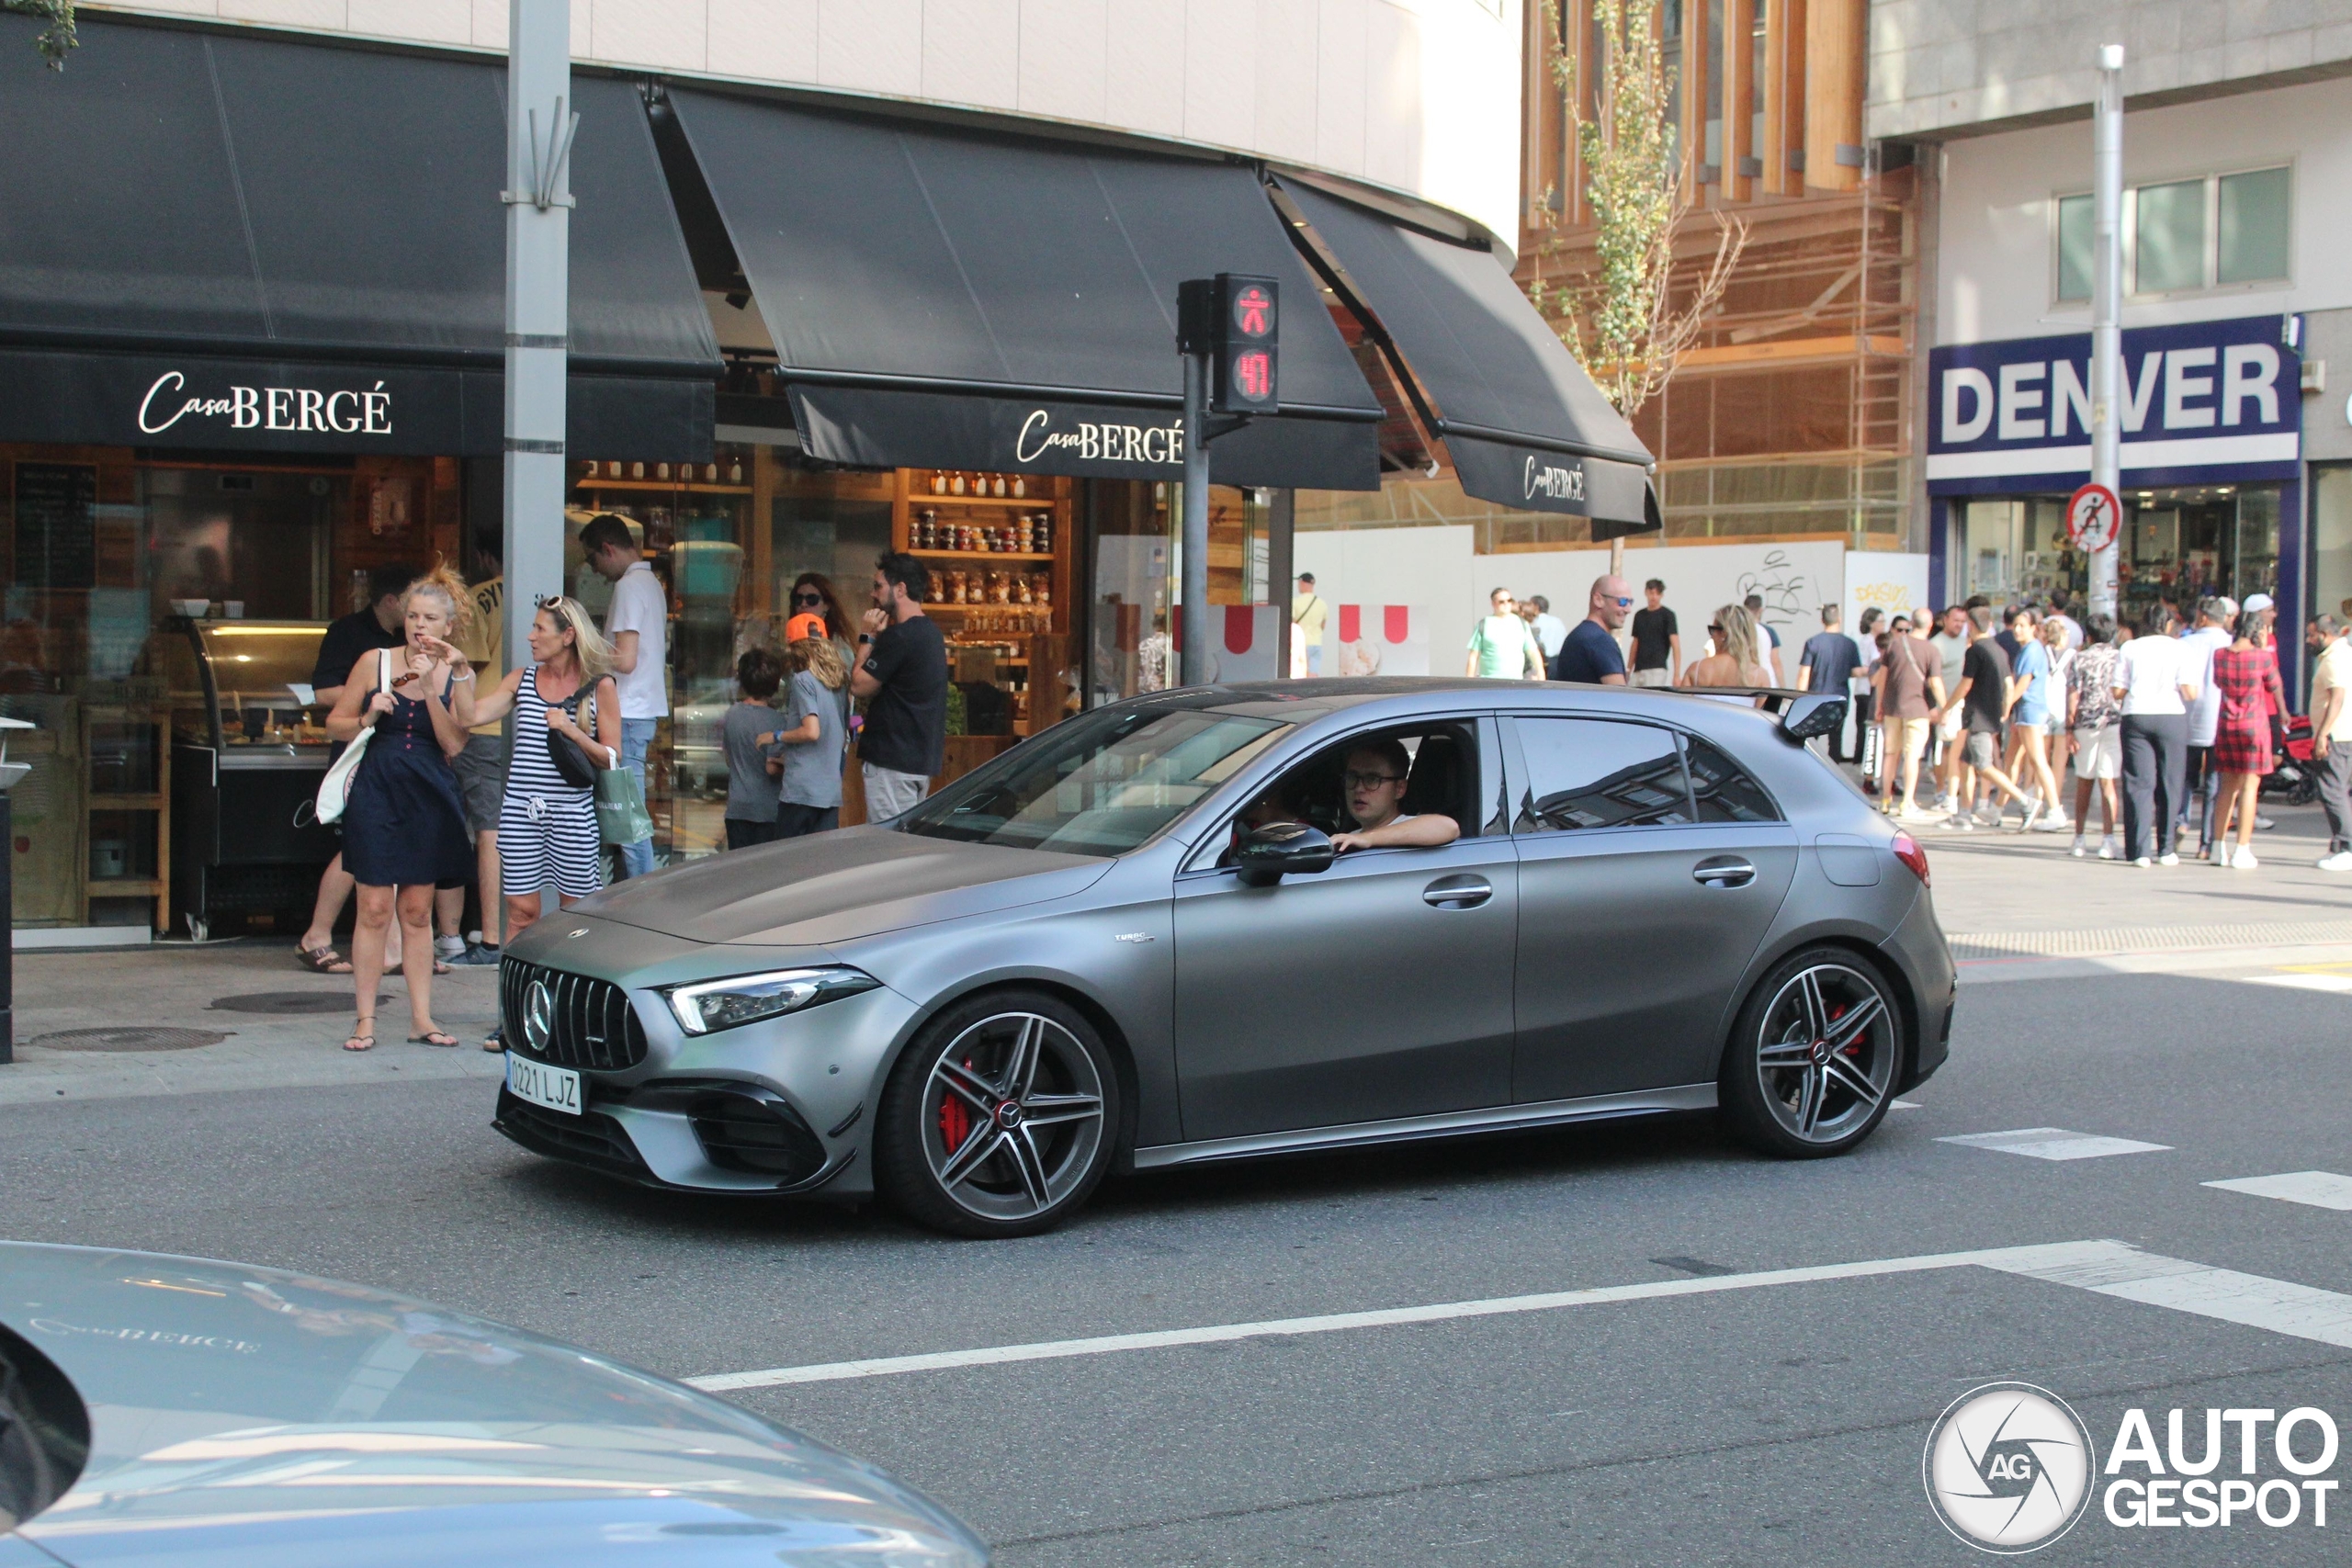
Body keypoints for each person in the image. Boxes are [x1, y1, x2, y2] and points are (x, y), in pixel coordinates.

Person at [456, 597, 622, 1050]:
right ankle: (514, 1017)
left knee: (578, 916)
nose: (529, 636)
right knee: (523, 915)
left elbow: (612, 756)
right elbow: (470, 716)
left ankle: (572, 1016)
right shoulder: (521, 680)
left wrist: (569, 730)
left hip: (571, 811)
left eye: (539, 629)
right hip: (520, 812)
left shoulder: (596, 686)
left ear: (567, 635)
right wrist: (457, 672)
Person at [322, 566, 476, 1053]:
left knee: (416, 910)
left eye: (430, 618)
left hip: (429, 791)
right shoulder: (376, 661)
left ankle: (421, 1018)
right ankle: (365, 1019)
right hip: (378, 788)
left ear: (448, 626)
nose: (419, 626)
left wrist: (431, 688)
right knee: (372, 908)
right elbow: (334, 724)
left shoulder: (458, 673)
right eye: (412, 616)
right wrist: (368, 715)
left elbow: (456, 742)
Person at [295, 560, 419, 976]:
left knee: (394, 845)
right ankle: (317, 935)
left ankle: (398, 947)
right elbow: (324, 690)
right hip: (361, 749)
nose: (418, 619)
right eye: (413, 610)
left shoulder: (413, 642)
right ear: (391, 601)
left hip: (399, 753)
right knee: (356, 847)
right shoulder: (348, 632)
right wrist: (371, 698)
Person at [581, 512, 667, 878]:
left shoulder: (629, 587)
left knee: (626, 811)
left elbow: (626, 660)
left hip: (627, 711)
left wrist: (585, 650)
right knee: (629, 808)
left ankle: (640, 891)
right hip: (640, 709)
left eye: (592, 559)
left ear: (607, 548)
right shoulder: (650, 584)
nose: (595, 570)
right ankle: (636, 886)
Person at [853, 551, 948, 820]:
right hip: (918, 761)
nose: (873, 594)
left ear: (900, 589)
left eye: (878, 586)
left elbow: (859, 685)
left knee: (890, 847)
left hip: (892, 762)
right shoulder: (932, 633)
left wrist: (868, 637)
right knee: (905, 844)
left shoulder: (900, 635)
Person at [448, 536, 507, 965]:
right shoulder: (557, 599)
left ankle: (488, 937)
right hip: (530, 725)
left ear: (487, 555)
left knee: (485, 832)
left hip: (483, 724)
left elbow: (466, 667)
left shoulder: (479, 597)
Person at [2114, 604, 2200, 867]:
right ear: (2169, 625)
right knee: (2170, 782)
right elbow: (2190, 693)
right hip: (2171, 717)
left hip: (2136, 715)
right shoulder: (2181, 648)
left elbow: (2117, 691)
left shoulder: (2130, 648)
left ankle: (2139, 850)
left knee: (2138, 783)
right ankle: (2166, 848)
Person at [1938, 606, 2030, 831]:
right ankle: (1964, 813)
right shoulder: (1999, 650)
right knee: (1965, 763)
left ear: (1970, 624)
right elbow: (2009, 685)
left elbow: (1965, 684)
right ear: (1989, 625)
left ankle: (2025, 801)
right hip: (1989, 716)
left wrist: (1947, 707)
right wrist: (2004, 711)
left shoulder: (1975, 651)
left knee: (1983, 765)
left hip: (1976, 716)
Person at [2210, 610, 2286, 870]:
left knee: (2226, 787)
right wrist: (2284, 713)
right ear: (2257, 631)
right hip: (2254, 726)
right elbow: (2274, 685)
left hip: (2227, 725)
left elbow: (2218, 682)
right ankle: (2242, 849)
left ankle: (2217, 847)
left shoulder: (2220, 655)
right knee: (2250, 787)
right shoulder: (2262, 657)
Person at [766, 636, 850, 838]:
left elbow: (811, 731)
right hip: (829, 790)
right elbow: (841, 731)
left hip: (802, 789)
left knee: (787, 857)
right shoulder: (839, 686)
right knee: (821, 860)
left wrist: (777, 736)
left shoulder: (803, 680)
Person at [2177, 596, 2234, 859]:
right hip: (2220, 721)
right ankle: (2207, 843)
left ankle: (2181, 819)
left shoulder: (2185, 643)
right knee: (2214, 782)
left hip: (2187, 718)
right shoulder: (2231, 644)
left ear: (2201, 617)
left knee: (2185, 778)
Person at [1329, 739, 1460, 853]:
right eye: (1352, 777)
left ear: (1399, 789)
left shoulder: (1413, 829)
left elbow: (1448, 827)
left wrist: (1368, 838)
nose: (1359, 788)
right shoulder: (1350, 839)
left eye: (1372, 779)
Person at [2065, 615, 2126, 860]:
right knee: (2108, 782)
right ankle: (2108, 840)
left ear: (2088, 636)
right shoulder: (2120, 656)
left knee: (2084, 780)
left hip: (2085, 724)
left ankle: (2079, 838)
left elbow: (2072, 695)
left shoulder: (2079, 659)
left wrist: (2069, 728)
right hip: (2113, 722)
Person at [1872, 614, 1943, 818]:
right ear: (1930, 625)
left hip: (1892, 708)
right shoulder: (1931, 650)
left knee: (1891, 754)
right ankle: (1907, 802)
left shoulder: (1894, 645)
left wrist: (1880, 704)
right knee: (1912, 756)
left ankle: (1885, 800)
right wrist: (1944, 707)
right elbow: (1935, 683)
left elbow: (1883, 677)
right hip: (1918, 709)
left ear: (1912, 624)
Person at [2005, 609, 2065, 831]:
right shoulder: (2027, 650)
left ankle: (2055, 809)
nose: (2017, 629)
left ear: (2033, 628)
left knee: (2038, 760)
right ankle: (1997, 806)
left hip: (2031, 710)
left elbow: (2023, 684)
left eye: (2022, 625)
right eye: (2016, 625)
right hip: (2025, 711)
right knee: (2012, 759)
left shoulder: (2032, 650)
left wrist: (2006, 706)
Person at [720, 648, 785, 850]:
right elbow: (771, 768)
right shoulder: (777, 720)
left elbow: (728, 759)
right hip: (766, 812)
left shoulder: (732, 714)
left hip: (736, 809)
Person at [2307, 615, 2352, 871]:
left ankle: (2347, 846)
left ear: (2324, 635)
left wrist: (2323, 734)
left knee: (2332, 790)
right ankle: (2339, 846)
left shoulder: (2334, 659)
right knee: (2339, 789)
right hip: (2345, 732)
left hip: (2337, 734)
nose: (2308, 641)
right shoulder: (2345, 653)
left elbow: (2337, 697)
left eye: (2312, 635)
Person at [1798, 606, 1864, 761]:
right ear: (1839, 619)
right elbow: (1856, 672)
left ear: (1822, 620)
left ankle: (1806, 765)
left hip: (1816, 697)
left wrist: (1799, 697)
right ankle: (1834, 772)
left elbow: (1804, 673)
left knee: (1810, 737)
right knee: (1836, 739)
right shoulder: (1850, 644)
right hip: (1839, 697)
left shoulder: (1813, 642)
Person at [1927, 604, 1972, 811]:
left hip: (1963, 704)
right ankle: (1941, 790)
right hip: (1943, 704)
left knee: (1959, 750)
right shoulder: (1935, 644)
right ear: (1945, 620)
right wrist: (1937, 707)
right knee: (1943, 750)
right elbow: (1930, 679)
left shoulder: (1966, 643)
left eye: (1963, 622)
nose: (1959, 625)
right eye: (1956, 621)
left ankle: (1954, 791)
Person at [1550, 576, 1631, 684]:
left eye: (1631, 602)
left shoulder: (1576, 636)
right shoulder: (1600, 641)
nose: (1628, 609)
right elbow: (1620, 696)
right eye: (1622, 601)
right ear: (1598, 600)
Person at [1680, 604, 1767, 697]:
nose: (1711, 636)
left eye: (1712, 630)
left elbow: (1681, 707)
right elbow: (1762, 711)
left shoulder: (1697, 669)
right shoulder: (1759, 676)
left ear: (1724, 633)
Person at [1465, 587, 1544, 680]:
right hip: (1488, 682)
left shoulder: (1521, 623)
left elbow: (1533, 652)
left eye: (1509, 600)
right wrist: (1469, 680)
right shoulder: (1484, 624)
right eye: (1502, 602)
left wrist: (1541, 676)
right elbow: (1474, 656)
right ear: (1493, 603)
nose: (1506, 604)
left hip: (1515, 682)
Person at [1629, 579, 1679, 687]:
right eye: (1651, 593)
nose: (1654, 597)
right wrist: (1629, 669)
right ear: (1646, 592)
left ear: (1661, 595)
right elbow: (1635, 643)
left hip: (1657, 668)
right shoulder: (1639, 615)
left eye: (1657, 593)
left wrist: (1677, 674)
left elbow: (1675, 645)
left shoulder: (1668, 615)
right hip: (1639, 668)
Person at [784, 571, 854, 649]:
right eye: (799, 599)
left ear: (827, 605)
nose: (803, 604)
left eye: (812, 599)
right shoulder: (792, 636)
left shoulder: (838, 642)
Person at [1743, 593, 1784, 685]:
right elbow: (1775, 661)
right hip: (1767, 680)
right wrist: (1782, 685)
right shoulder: (1769, 632)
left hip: (1744, 680)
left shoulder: (1739, 631)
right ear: (1760, 610)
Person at [1292, 573, 1329, 676]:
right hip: (1317, 644)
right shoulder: (1322, 604)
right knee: (1313, 674)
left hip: (1300, 644)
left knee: (1299, 673)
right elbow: (1323, 626)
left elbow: (1292, 624)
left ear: (1302, 582)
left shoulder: (1295, 603)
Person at [1526, 594, 1569, 666]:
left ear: (1536, 607)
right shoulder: (1558, 622)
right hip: (1557, 662)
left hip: (1540, 661)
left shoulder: (1534, 622)